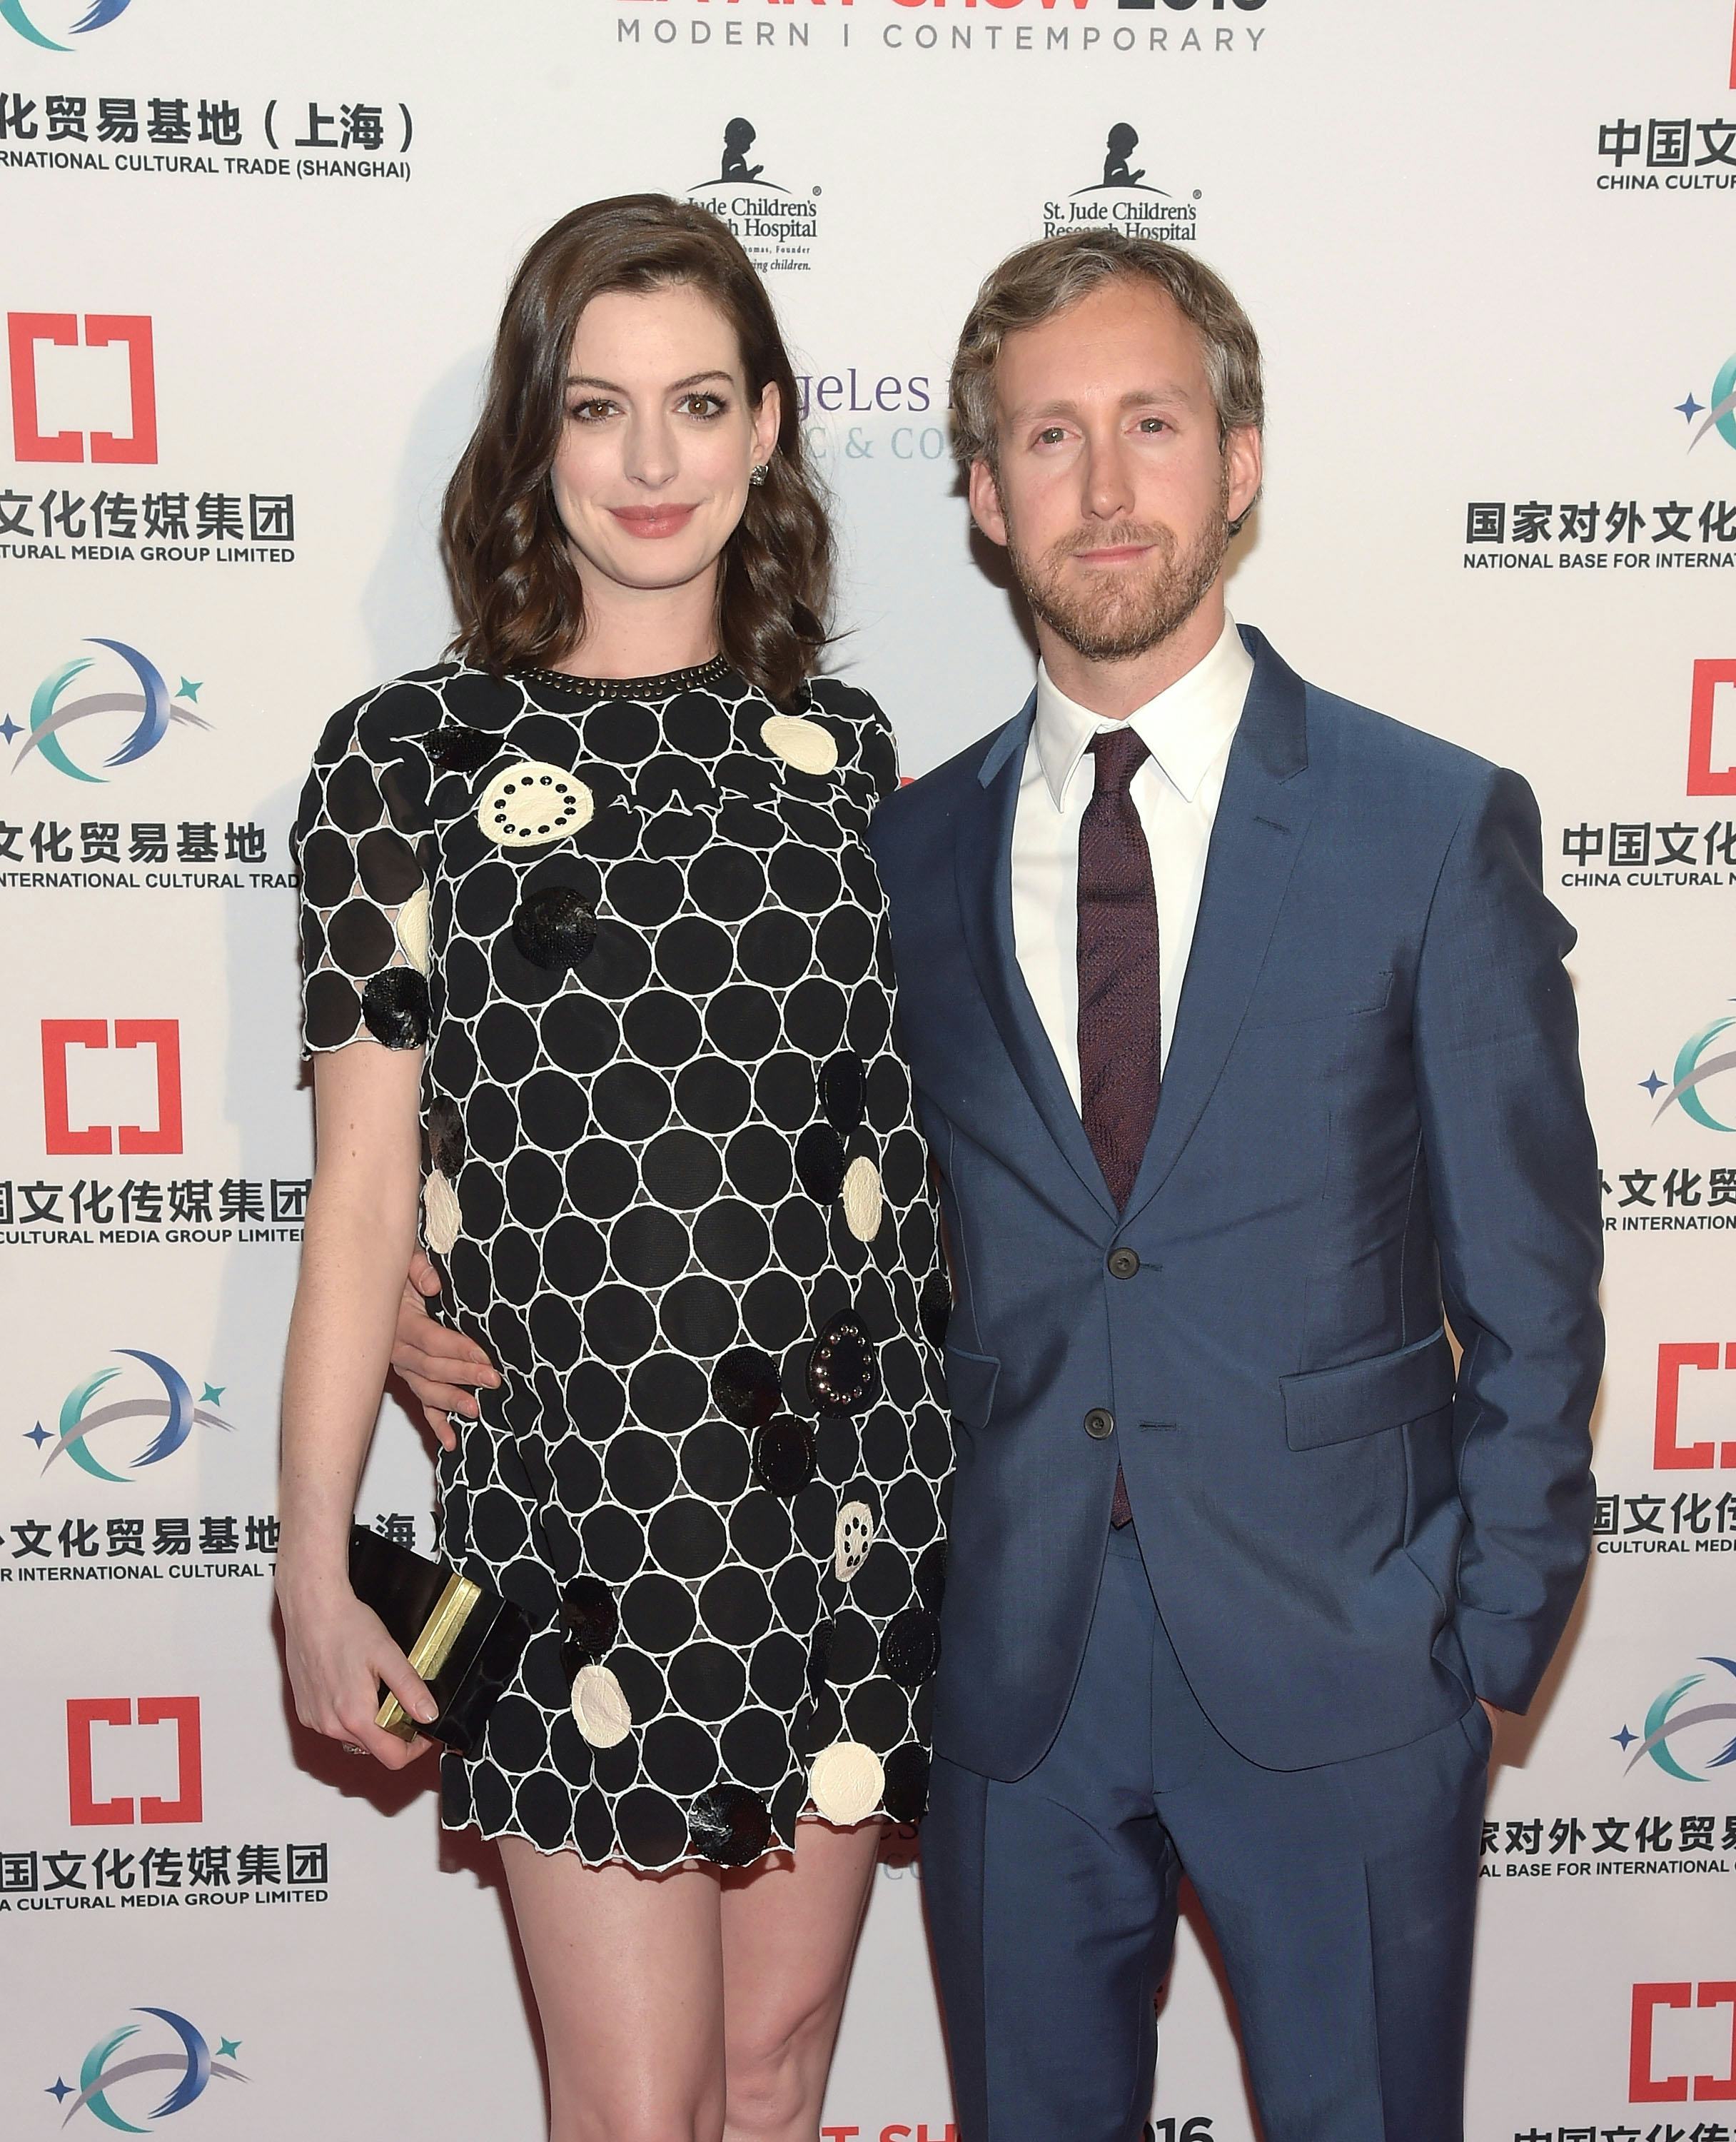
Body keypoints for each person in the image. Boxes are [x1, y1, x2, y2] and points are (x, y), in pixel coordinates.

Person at [394, 227, 1605, 2141]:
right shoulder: (894, 853)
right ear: (980, 492)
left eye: (1152, 424)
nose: (1105, 487)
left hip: (1352, 1678)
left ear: (1241, 459)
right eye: (1049, 438)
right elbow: (733, 1156)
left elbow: (1534, 1286)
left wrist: (1482, 1645)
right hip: (1002, 1685)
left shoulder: (1431, 826)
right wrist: (421, 1270)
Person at [278, 194, 952, 2142]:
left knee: (772, 2069)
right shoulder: (402, 760)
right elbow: (359, 1194)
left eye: (699, 403)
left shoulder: (848, 758)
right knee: (639, 2106)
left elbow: (910, 1143)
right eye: (597, 407)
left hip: (847, 1498)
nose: (652, 460)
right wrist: (312, 1557)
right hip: (583, 1508)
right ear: (535, 436)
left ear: (766, 428)